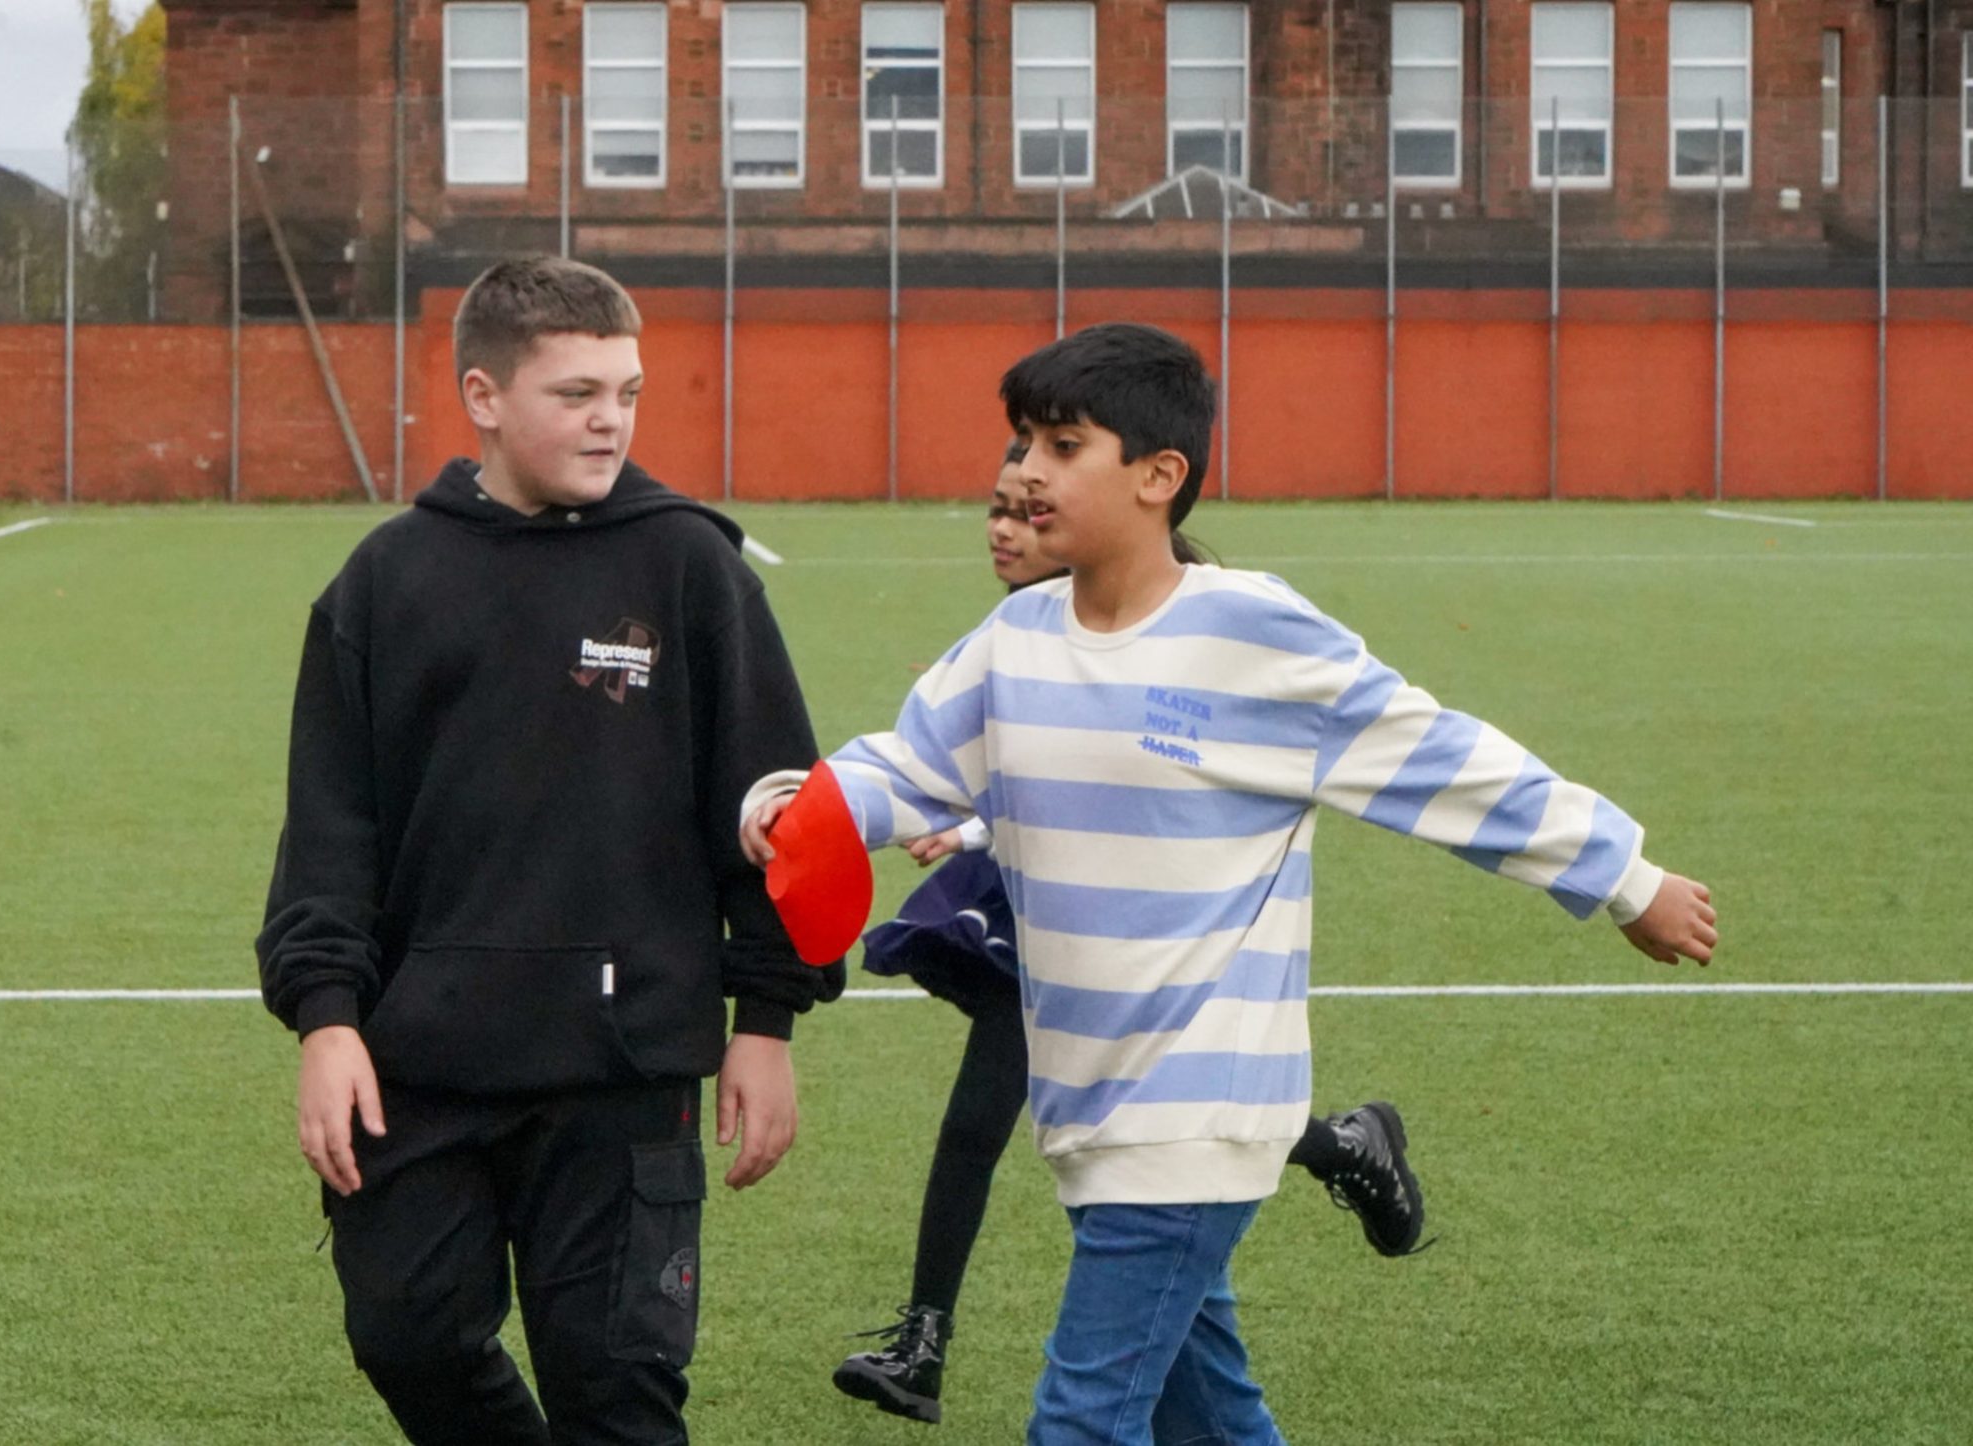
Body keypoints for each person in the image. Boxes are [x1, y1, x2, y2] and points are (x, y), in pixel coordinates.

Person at [744, 322, 1718, 1446]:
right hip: (1088, 1103)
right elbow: (905, 770)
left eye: (1064, 446)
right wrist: (797, 806)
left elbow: (1440, 759)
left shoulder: (1252, 633)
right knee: (1208, 1421)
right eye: (1024, 443)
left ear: (1160, 476)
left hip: (1197, 1111)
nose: (1027, 472)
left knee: (1081, 1424)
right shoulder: (1014, 639)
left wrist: (1624, 877)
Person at [259, 255, 841, 1446]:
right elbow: (330, 828)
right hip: (419, 1061)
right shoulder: (384, 581)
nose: (609, 421)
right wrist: (325, 1019)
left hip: (622, 1071)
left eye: (626, 393)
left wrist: (768, 1022)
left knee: (616, 1393)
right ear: (482, 395)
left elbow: (782, 809)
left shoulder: (688, 567)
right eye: (575, 394)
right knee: (410, 1337)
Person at [831, 446, 1428, 1429]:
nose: (1004, 528)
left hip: (1128, 933)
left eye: (1026, 508)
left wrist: (972, 825)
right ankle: (924, 1336)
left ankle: (1336, 1145)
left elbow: (1131, 776)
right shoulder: (1015, 637)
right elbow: (991, 756)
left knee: (1119, 1168)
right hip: (1042, 916)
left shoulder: (1170, 629)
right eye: (995, 508)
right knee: (1113, 1213)